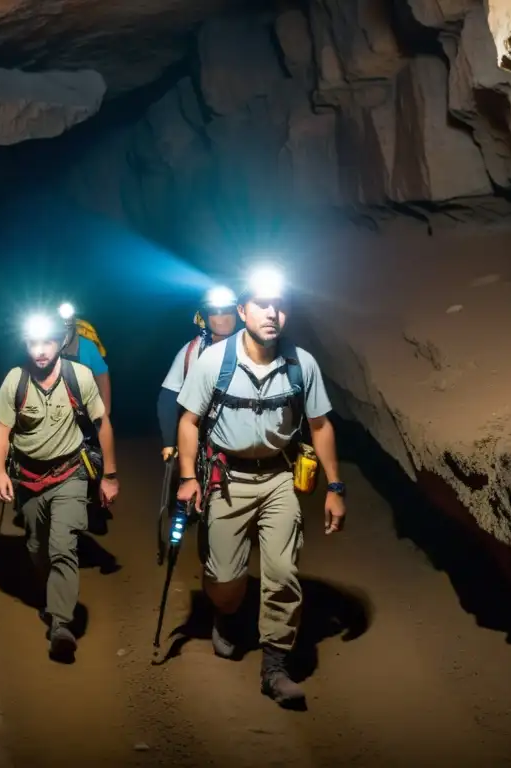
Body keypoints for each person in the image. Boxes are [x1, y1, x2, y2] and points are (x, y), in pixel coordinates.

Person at [174, 265, 346, 710]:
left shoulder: (301, 363)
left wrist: (335, 486)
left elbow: (320, 425)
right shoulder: (214, 361)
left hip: (277, 480)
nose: (272, 313)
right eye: (262, 305)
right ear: (242, 310)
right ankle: (227, 615)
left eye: (280, 305)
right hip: (227, 479)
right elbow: (189, 422)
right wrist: (190, 477)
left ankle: (275, 667)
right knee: (225, 582)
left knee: (284, 572)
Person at [0, 310, 120, 662]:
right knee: (36, 547)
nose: (40, 350)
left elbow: (102, 423)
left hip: (70, 474)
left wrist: (109, 476)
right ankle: (50, 592)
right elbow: (2, 429)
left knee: (64, 546)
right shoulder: (16, 380)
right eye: (33, 342)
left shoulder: (79, 377)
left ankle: (61, 623)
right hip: (29, 478)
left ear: (62, 342)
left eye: (48, 341)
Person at [157, 285, 238, 460]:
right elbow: (168, 398)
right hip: (202, 437)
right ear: (205, 316)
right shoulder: (193, 351)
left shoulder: (253, 348)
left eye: (228, 311)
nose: (222, 318)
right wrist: (169, 443)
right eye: (215, 312)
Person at [59, 303, 112, 415]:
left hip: (82, 413)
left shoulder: (86, 346)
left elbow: (102, 377)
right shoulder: (41, 348)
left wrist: (105, 413)